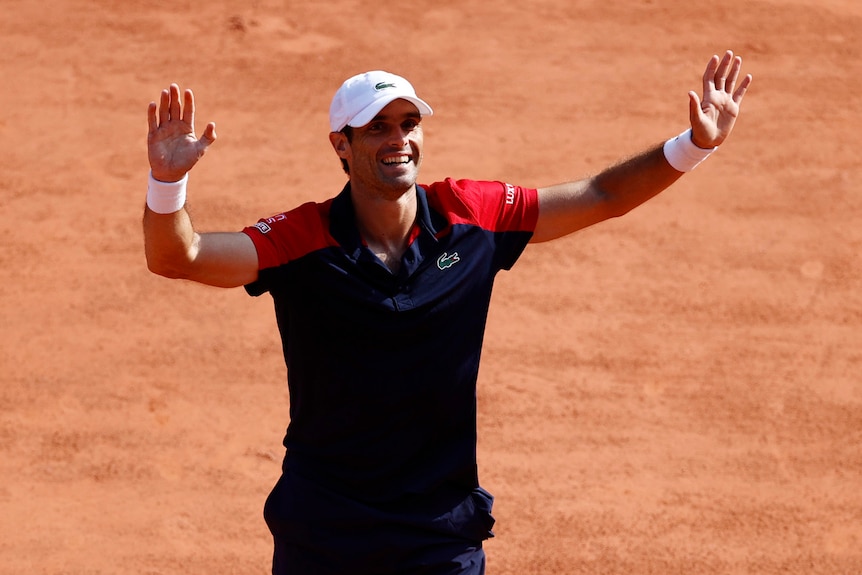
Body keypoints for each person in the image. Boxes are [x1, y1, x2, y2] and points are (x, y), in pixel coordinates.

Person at [143, 51, 752, 575]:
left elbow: (602, 195)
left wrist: (694, 145)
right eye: (377, 128)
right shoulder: (300, 239)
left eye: (408, 123)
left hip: (438, 532)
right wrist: (166, 184)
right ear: (341, 146)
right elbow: (182, 256)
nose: (398, 139)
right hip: (325, 528)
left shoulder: (470, 213)